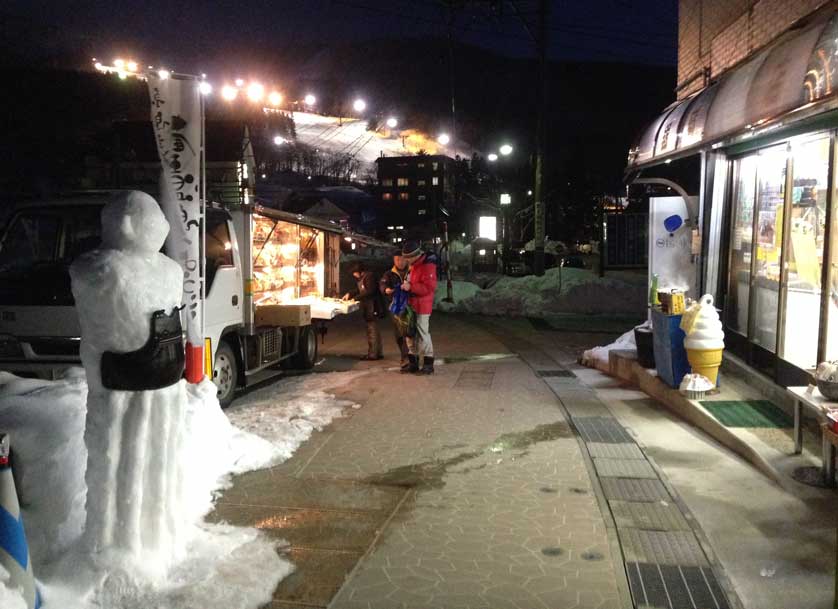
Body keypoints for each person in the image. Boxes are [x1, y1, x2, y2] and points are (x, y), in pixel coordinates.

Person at [400, 240, 437, 374]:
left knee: (422, 333)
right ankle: (413, 363)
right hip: (412, 305)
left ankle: (428, 364)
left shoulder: (427, 266)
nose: (406, 261)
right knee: (410, 333)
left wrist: (410, 287)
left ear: (414, 256)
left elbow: (429, 288)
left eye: (407, 258)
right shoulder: (414, 265)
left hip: (422, 306)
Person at [343, 261, 384, 360]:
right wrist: (350, 294)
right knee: (374, 329)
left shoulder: (369, 277)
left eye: (354, 273)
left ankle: (373, 354)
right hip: (370, 307)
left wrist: (355, 298)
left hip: (373, 307)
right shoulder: (364, 277)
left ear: (359, 271)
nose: (354, 276)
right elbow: (360, 289)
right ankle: (378, 352)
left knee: (372, 330)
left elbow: (369, 291)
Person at [380, 252, 410, 369]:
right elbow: (382, 284)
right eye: (397, 260)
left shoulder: (412, 271)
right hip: (395, 308)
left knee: (409, 332)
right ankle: (405, 357)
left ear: (406, 260)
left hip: (410, 306)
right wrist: (386, 289)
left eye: (402, 259)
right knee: (399, 333)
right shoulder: (389, 274)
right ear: (394, 260)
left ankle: (409, 357)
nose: (400, 262)